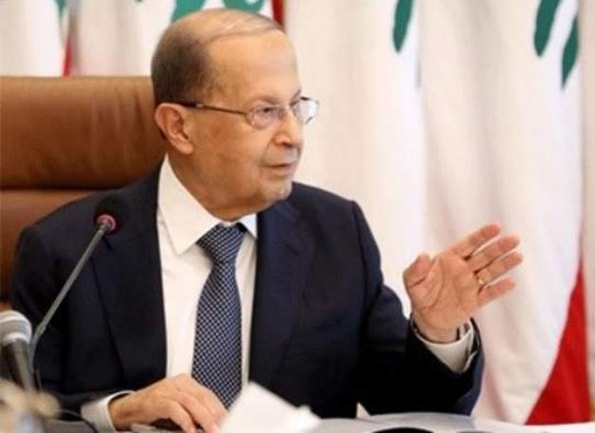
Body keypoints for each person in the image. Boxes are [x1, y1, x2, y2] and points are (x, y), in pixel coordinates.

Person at [10, 8, 522, 433]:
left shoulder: (336, 235)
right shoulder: (70, 249)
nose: (293, 135)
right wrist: (117, 412)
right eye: (264, 112)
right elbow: (18, 409)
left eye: (296, 106)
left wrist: (437, 332)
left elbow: (415, 409)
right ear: (179, 127)